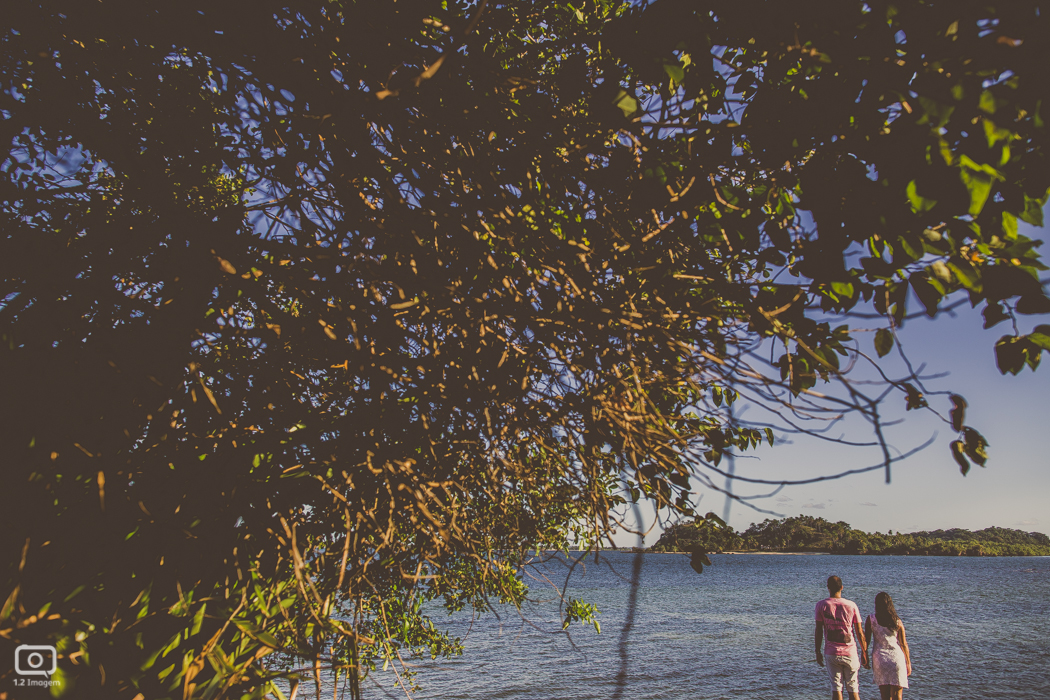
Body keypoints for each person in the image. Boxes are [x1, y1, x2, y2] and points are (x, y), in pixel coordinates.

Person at [815, 575, 869, 700]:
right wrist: (864, 652)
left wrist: (817, 651)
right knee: (853, 688)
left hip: (831, 652)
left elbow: (818, 630)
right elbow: (859, 632)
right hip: (850, 652)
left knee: (836, 688)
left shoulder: (821, 605)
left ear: (828, 588)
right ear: (842, 587)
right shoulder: (852, 605)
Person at [865, 592, 913, 700]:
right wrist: (908, 663)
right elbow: (903, 644)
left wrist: (864, 657)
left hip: (880, 659)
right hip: (896, 658)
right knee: (897, 696)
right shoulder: (896, 621)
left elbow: (866, 642)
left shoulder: (871, 619)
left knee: (885, 697)